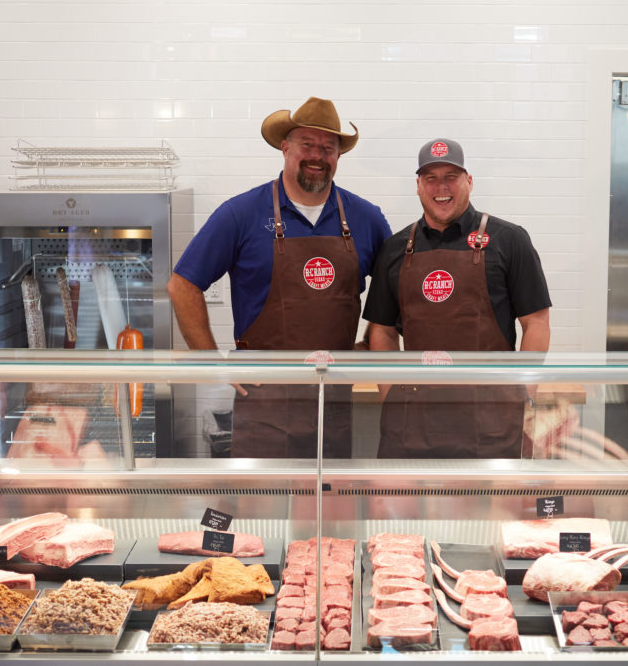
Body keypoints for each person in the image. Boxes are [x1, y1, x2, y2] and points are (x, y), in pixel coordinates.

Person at [167, 97, 391, 458]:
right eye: (307, 144)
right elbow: (182, 285)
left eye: (328, 148)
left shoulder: (366, 218)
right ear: (285, 147)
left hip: (331, 399)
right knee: (261, 512)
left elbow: (395, 295)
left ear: (337, 156)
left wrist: (368, 349)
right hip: (263, 401)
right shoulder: (241, 214)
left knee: (326, 510)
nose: (317, 155)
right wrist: (213, 361)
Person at [363, 138, 551, 458]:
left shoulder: (509, 240)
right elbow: (381, 330)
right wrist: (389, 393)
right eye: (431, 178)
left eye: (451, 176)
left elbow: (536, 322)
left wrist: (522, 391)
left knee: (488, 509)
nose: (441, 187)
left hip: (490, 418)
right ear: (419, 186)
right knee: (406, 508)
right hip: (412, 419)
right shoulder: (396, 248)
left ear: (469, 181)